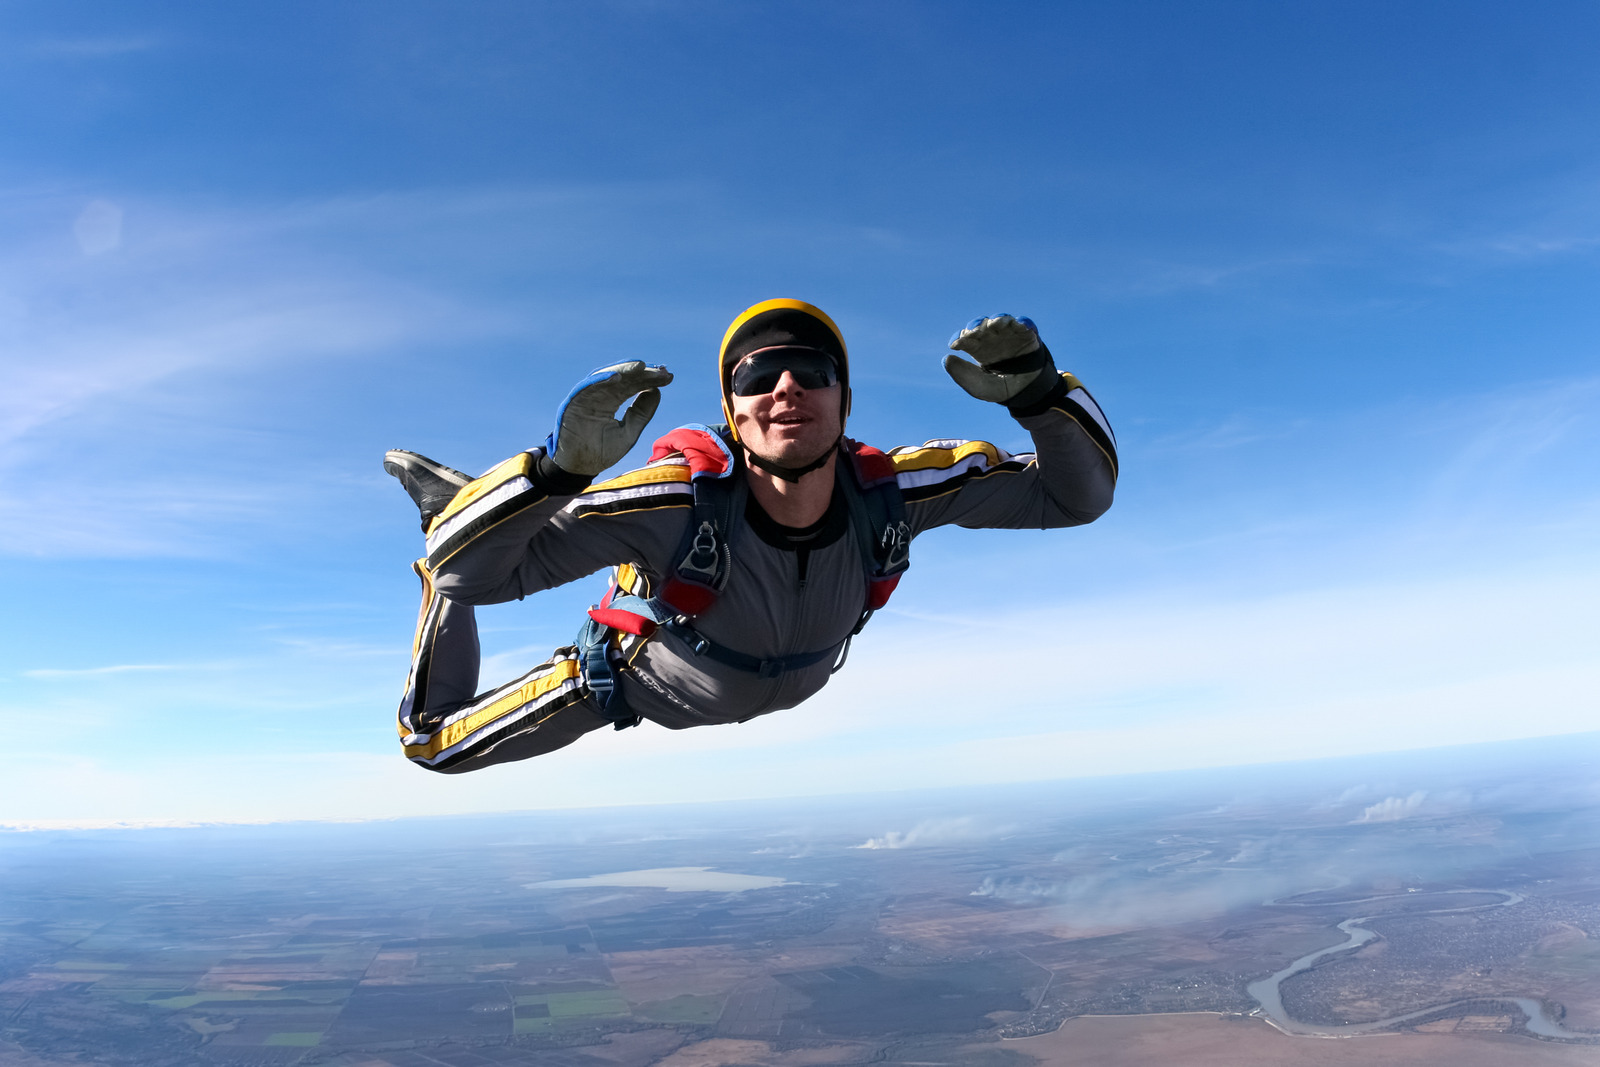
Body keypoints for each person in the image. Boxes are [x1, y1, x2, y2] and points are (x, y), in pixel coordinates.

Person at [384, 299, 1117, 773]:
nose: (786, 388)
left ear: (846, 400)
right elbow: (472, 583)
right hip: (632, 683)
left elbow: (1075, 496)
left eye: (812, 370)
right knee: (431, 742)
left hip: (769, 676)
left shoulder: (898, 492)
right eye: (760, 375)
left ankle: (478, 513)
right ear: (733, 414)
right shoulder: (668, 502)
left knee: (482, 546)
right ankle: (456, 514)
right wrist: (551, 474)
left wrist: (1041, 395)